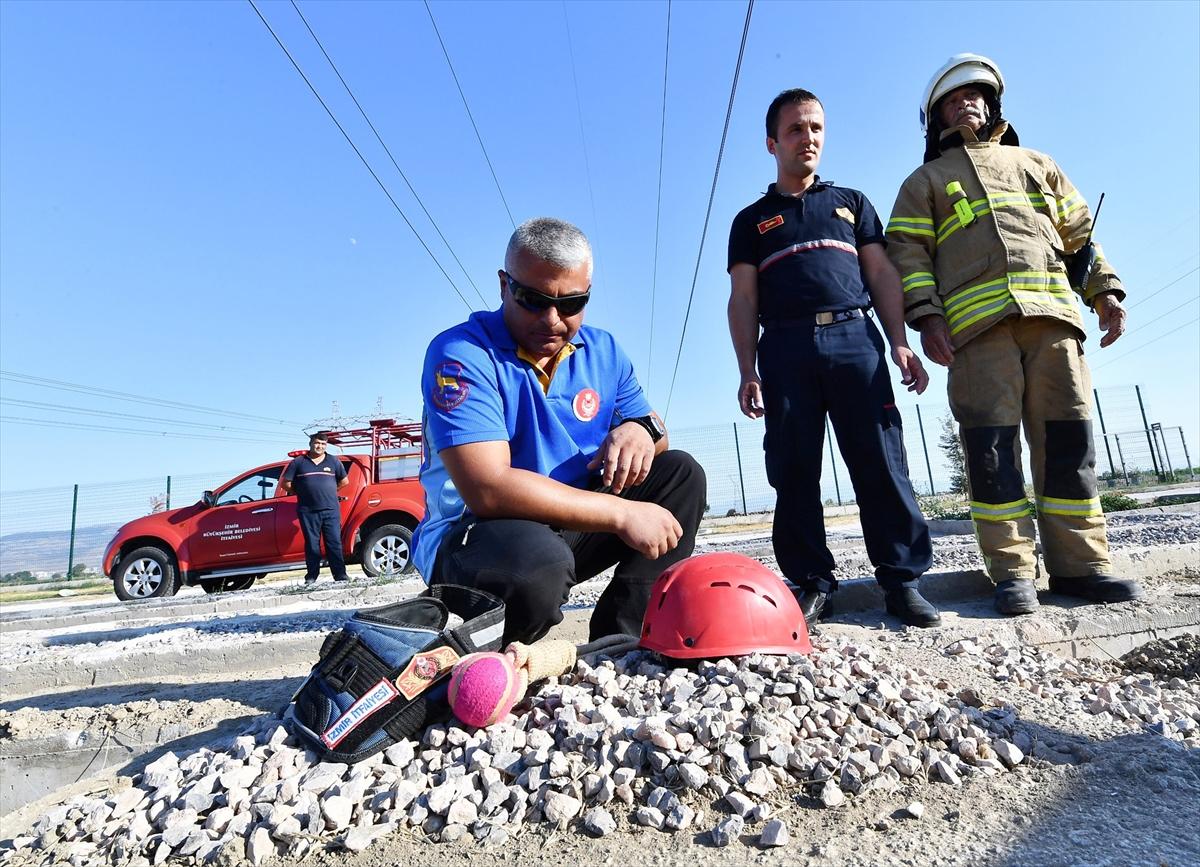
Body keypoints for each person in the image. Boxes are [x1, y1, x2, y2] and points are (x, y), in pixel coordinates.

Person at [885, 54, 1143, 615]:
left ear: (993, 105)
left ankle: (1081, 566)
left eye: (975, 95)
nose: (967, 104)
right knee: (992, 450)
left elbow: (1079, 235)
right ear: (936, 119)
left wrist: (1106, 291)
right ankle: (1012, 573)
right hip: (978, 334)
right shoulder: (924, 182)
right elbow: (907, 255)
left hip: (1054, 321)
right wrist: (927, 318)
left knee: (1069, 443)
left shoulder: (1037, 163)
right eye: (954, 100)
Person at [411, 217, 706, 645]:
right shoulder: (461, 355)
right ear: (504, 286)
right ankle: (486, 651)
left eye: (571, 304)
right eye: (533, 300)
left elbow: (659, 435)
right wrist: (622, 514)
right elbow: (487, 489)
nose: (552, 319)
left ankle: (621, 638)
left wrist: (639, 429)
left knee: (680, 474)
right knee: (537, 566)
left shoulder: (603, 351)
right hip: (476, 534)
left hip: (564, 524)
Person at [726, 88, 940, 629]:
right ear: (772, 143)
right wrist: (748, 369)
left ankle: (902, 580)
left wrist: (899, 341)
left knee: (881, 461)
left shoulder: (853, 203)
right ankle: (812, 582)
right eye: (796, 129)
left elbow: (881, 274)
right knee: (793, 468)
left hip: (855, 340)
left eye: (816, 128)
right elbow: (743, 298)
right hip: (785, 347)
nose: (809, 138)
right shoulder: (751, 221)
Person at [281, 431, 350, 585]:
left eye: (323, 444)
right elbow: (285, 484)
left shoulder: (333, 461)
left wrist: (331, 491)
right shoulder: (298, 462)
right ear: (311, 444)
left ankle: (340, 575)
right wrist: (302, 492)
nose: (320, 446)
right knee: (312, 544)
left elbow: (345, 481)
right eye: (317, 443)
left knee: (334, 543)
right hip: (308, 511)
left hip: (331, 510)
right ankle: (312, 576)